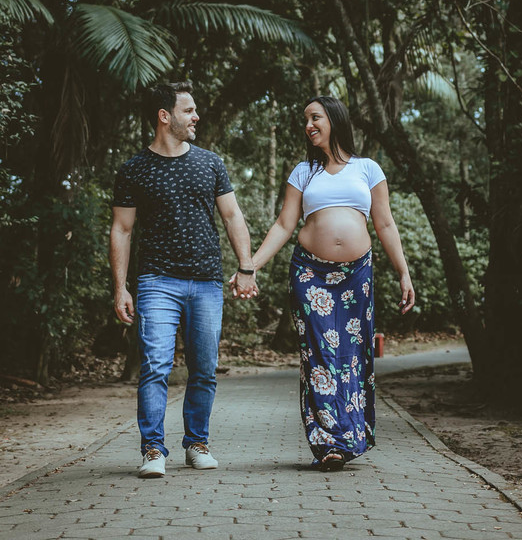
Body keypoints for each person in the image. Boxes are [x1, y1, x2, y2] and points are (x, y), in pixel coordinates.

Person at [235, 95, 414, 471]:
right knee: (318, 356)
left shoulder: (368, 169)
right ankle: (328, 442)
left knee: (351, 355)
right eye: (306, 120)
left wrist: (403, 272)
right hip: (309, 274)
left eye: (315, 117)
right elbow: (285, 224)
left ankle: (348, 436)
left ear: (334, 119)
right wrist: (250, 267)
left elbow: (384, 224)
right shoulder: (304, 171)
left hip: (356, 275)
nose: (308, 125)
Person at [110, 81, 256, 479]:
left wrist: (246, 266)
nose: (196, 117)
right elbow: (122, 230)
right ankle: (154, 449)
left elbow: (232, 216)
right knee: (155, 366)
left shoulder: (210, 162)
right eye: (188, 110)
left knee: (204, 368)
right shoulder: (134, 169)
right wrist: (121, 287)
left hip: (207, 282)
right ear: (164, 116)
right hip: (156, 281)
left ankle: (196, 444)